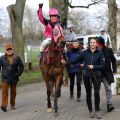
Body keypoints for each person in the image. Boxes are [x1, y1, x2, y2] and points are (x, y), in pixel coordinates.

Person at [69, 37, 105, 119]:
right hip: (86, 75)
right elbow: (75, 60)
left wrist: (94, 66)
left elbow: (103, 65)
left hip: (97, 75)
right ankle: (90, 111)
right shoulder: (84, 53)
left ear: (96, 43)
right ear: (89, 44)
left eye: (94, 42)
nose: (92, 44)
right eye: (91, 42)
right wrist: (66, 61)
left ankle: (97, 110)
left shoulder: (100, 53)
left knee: (96, 93)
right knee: (88, 93)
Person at [0, 43, 24, 112]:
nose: (9, 50)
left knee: (13, 92)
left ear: (12, 49)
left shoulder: (17, 57)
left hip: (14, 78)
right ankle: (4, 106)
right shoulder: (1, 58)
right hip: (5, 78)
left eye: (10, 49)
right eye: (8, 49)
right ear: (5, 50)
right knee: (4, 92)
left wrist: (18, 74)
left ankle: (12, 104)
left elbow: (21, 67)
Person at [97, 37, 117, 112]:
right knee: (96, 89)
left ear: (103, 44)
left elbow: (114, 60)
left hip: (106, 72)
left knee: (108, 88)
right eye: (98, 44)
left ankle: (109, 104)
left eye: (101, 45)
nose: (99, 46)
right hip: (97, 72)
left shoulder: (109, 50)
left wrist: (114, 70)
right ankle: (97, 105)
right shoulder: (95, 51)